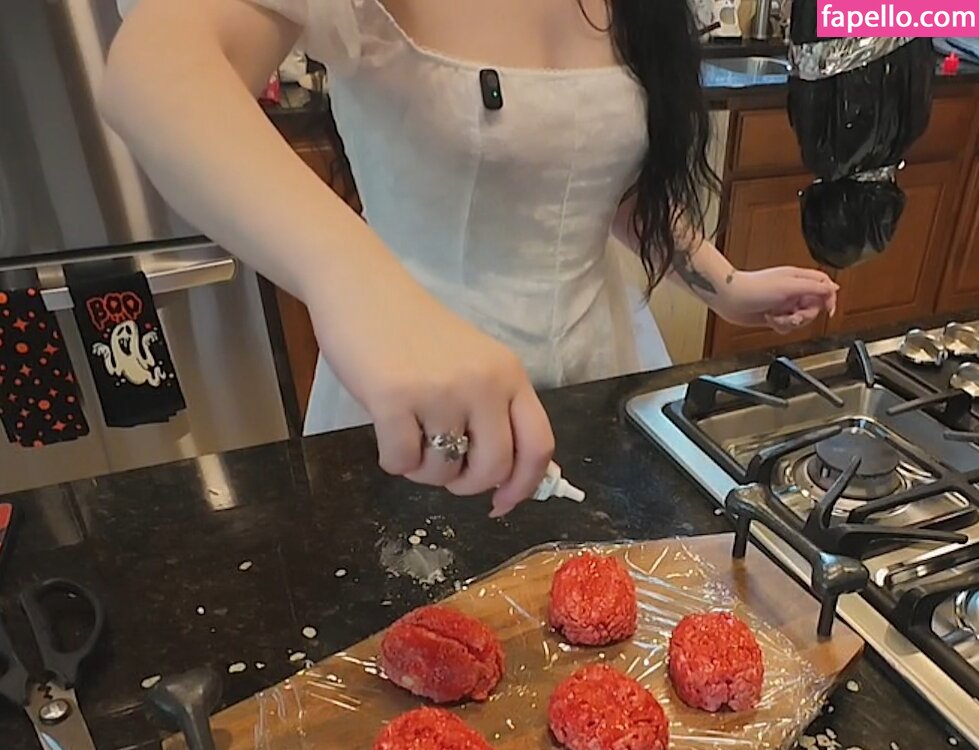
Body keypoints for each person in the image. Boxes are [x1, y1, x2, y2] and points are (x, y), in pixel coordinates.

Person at [102, 0, 837, 516]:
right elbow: (158, 71)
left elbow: (598, 176)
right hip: (422, 410)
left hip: (600, 380)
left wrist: (721, 282)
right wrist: (360, 290)